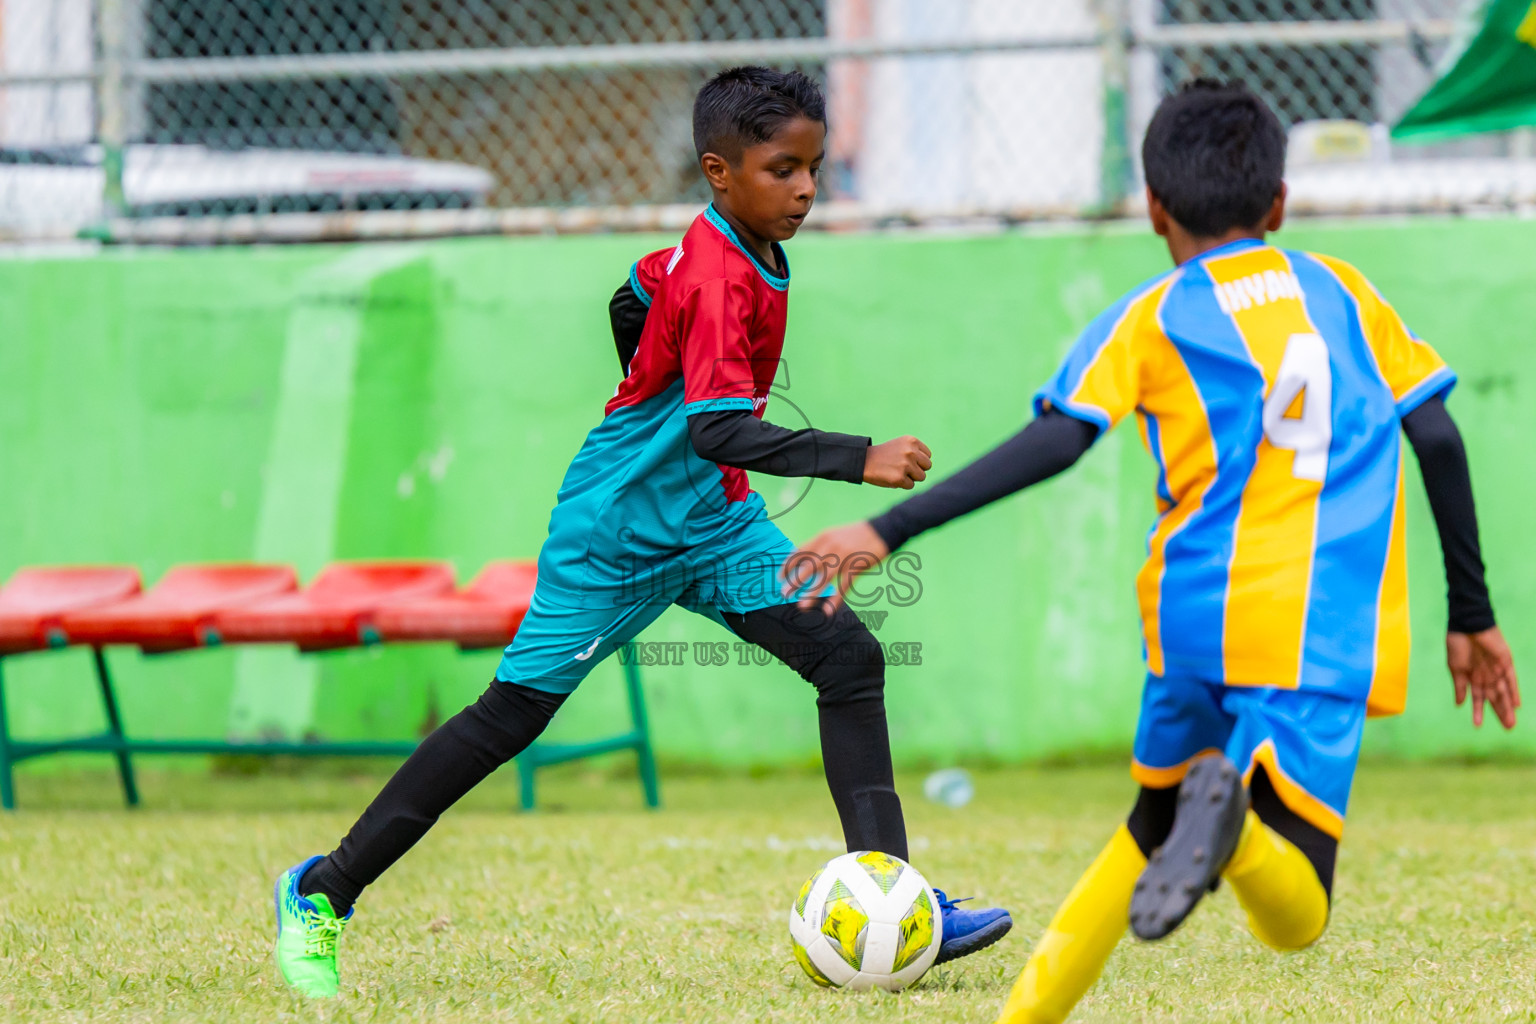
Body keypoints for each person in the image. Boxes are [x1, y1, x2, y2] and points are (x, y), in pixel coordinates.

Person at [782, 79, 1520, 1024]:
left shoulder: (1151, 315)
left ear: (1156, 209)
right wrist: (1472, 614)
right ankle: (1238, 833)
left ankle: (1031, 1006)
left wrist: (886, 527)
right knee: (1294, 917)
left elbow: (1056, 441)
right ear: (1280, 204)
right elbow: (1442, 440)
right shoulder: (1344, 294)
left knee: (1147, 829)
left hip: (1191, 620)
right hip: (1319, 628)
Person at [271, 66, 1010, 999]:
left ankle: (901, 903)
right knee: (511, 719)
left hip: (715, 523)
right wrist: (856, 456)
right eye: (783, 170)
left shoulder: (730, 253)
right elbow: (716, 428)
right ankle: (319, 894)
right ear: (719, 171)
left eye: (813, 168)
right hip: (616, 534)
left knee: (848, 661)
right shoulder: (714, 275)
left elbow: (632, 292)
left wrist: (644, 373)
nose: (806, 189)